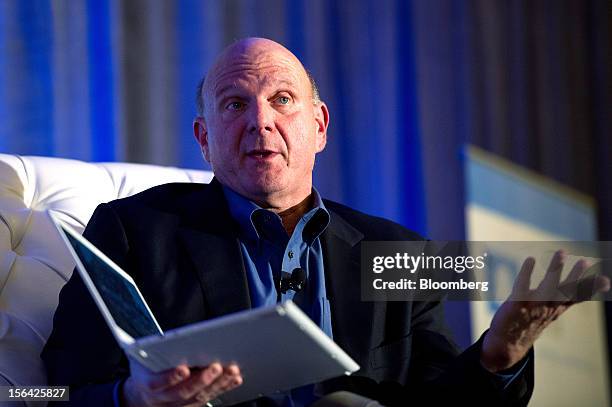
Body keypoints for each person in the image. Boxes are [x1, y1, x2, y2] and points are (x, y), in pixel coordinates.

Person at [42, 37, 609, 407]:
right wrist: (132, 397)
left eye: (282, 100)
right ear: (204, 139)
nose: (261, 123)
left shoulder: (400, 249)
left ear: (320, 126)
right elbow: (46, 391)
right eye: (235, 105)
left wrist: (502, 350)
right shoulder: (131, 229)